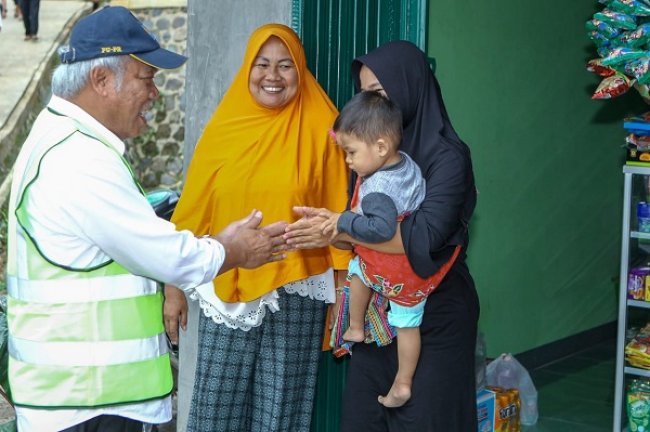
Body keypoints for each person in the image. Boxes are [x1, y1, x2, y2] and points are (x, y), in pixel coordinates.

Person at [4, 6, 287, 432]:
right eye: (146, 78)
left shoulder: (59, 137)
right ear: (101, 80)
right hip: (89, 405)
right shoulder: (79, 158)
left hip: (78, 398)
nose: (154, 92)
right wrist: (233, 248)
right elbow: (169, 257)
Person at [165, 23, 352, 432]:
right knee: (215, 410)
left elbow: (338, 205)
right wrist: (173, 287)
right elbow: (194, 207)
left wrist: (342, 289)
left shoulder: (323, 124)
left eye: (285, 65)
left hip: (297, 285)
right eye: (262, 64)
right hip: (229, 279)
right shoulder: (225, 126)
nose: (273, 76)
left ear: (300, 71)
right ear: (248, 68)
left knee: (282, 412)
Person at [285, 40, 480, 431]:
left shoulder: (448, 156)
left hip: (437, 315)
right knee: (363, 419)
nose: (369, 103)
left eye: (378, 92)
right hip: (380, 314)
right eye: (363, 93)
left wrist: (342, 225)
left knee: (425, 421)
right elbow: (359, 232)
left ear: (410, 87)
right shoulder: (373, 153)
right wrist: (328, 231)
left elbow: (421, 240)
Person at [317, 89, 444, 409]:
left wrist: (344, 221)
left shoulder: (376, 190)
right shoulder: (404, 163)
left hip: (392, 267)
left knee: (358, 270)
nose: (347, 160)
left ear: (381, 147)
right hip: (416, 266)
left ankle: (357, 326)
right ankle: (403, 381)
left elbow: (380, 229)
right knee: (408, 323)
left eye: (351, 152)